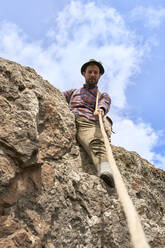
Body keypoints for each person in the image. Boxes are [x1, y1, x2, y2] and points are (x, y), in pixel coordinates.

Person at [63, 59, 114, 187]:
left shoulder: (101, 95)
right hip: (68, 117)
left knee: (95, 142)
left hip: (87, 122)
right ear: (84, 73)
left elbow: (105, 104)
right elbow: (57, 96)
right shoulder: (73, 92)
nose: (92, 75)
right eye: (90, 72)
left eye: (95, 73)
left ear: (99, 75)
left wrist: (100, 110)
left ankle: (105, 170)